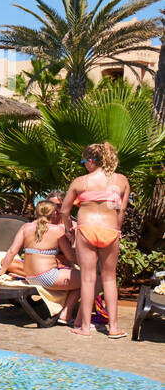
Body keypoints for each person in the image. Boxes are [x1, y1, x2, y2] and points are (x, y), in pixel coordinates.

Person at [60, 142, 131, 338]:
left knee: (88, 278)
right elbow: (121, 211)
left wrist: (69, 231)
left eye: (84, 162)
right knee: (109, 279)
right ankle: (114, 328)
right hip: (110, 230)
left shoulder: (81, 182)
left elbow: (65, 211)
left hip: (86, 229)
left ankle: (84, 327)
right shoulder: (122, 180)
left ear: (91, 161)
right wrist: (117, 230)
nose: (84, 166)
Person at [0, 200, 82, 322]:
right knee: (88, 279)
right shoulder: (57, 230)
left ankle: (65, 314)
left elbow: (12, 251)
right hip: (47, 276)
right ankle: (66, 315)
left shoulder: (26, 227)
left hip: (30, 276)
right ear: (55, 213)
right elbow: (71, 257)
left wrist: (2, 270)